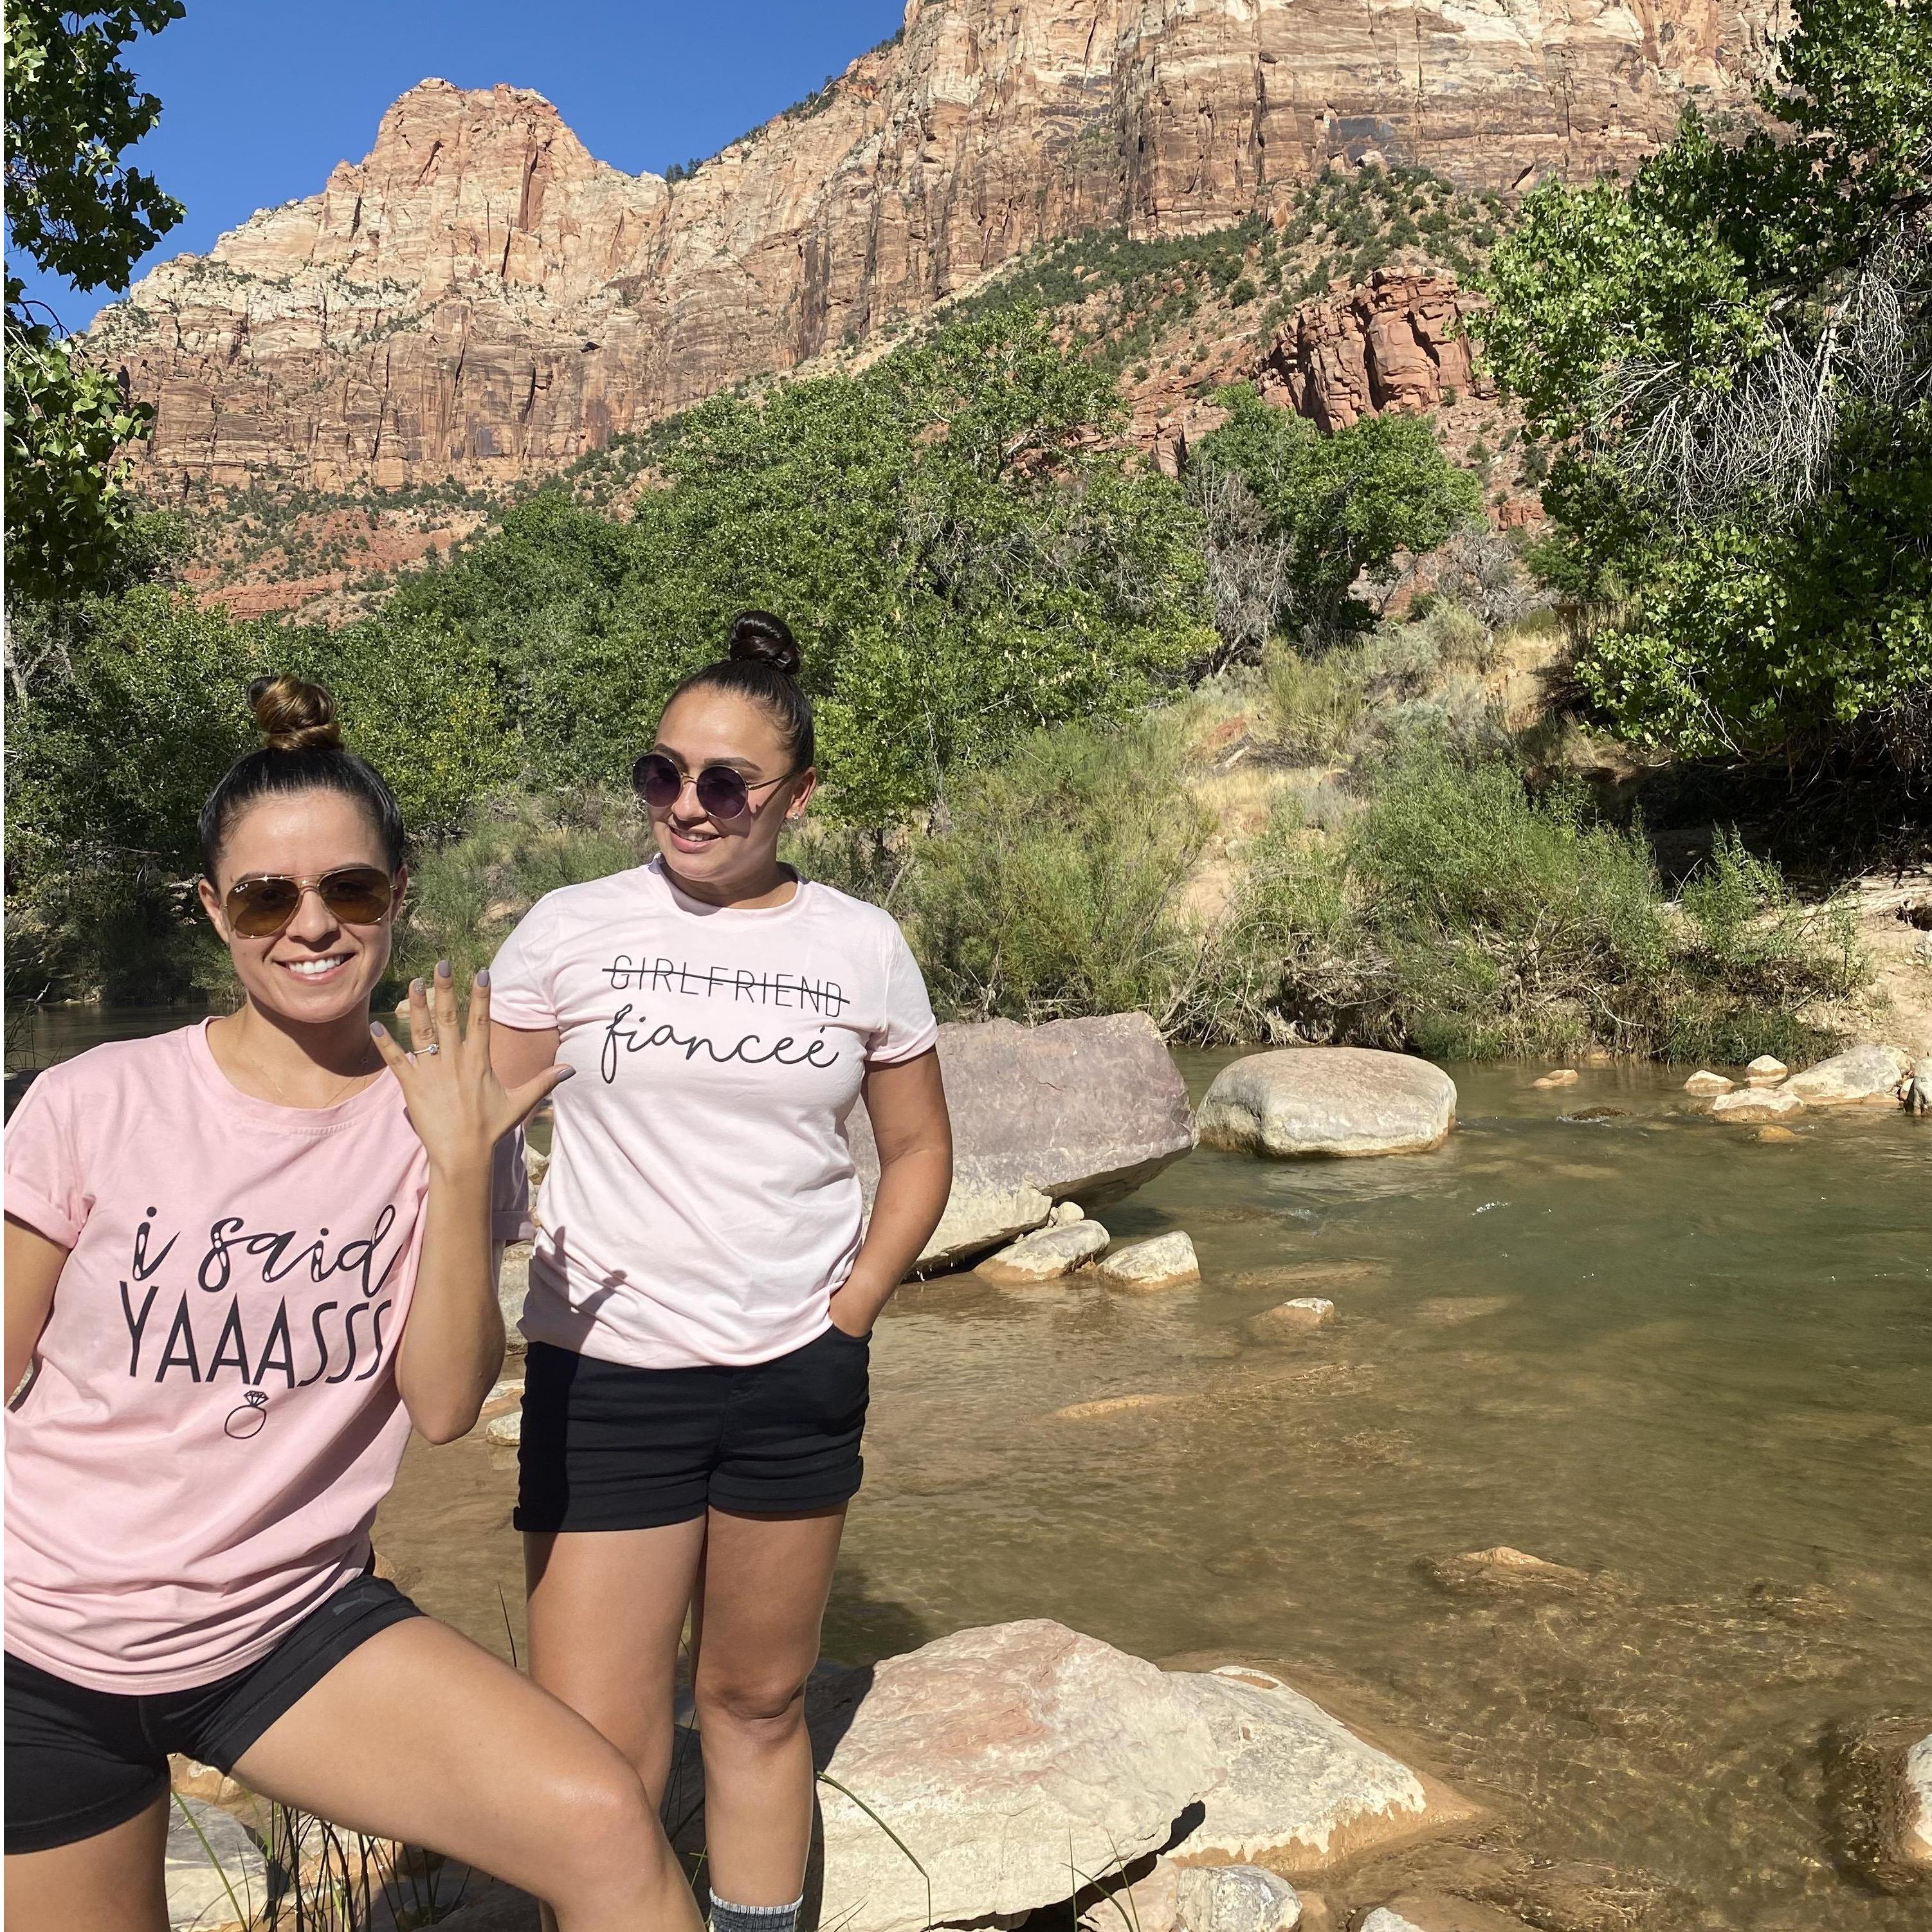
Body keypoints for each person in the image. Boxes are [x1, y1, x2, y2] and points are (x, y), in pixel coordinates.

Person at [3, 677, 704, 1932]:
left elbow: (442, 1405)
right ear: (216, 911)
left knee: (603, 1826)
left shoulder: (449, 1115)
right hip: (41, 1650)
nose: (310, 924)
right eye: (268, 895)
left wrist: (448, 1160)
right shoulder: (92, 1101)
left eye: (351, 889)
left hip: (283, 1626)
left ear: (396, 895)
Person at [489, 612, 954, 1932]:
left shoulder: (859, 943)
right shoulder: (567, 927)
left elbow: (917, 1151)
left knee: (752, 1704)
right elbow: (471, 1141)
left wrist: (848, 1312)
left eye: (725, 782)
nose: (686, 806)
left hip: (788, 1377)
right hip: (607, 1376)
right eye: (661, 772)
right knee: (595, 1748)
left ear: (795, 795)